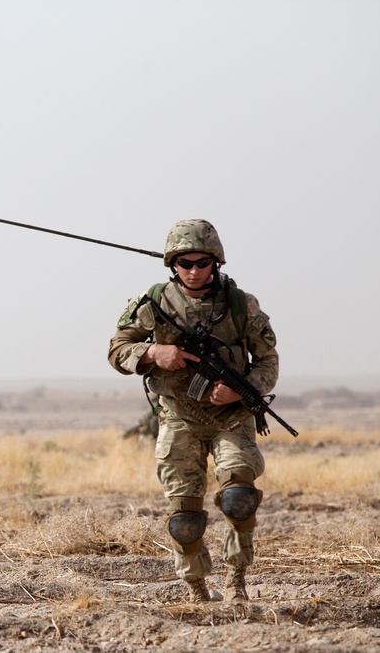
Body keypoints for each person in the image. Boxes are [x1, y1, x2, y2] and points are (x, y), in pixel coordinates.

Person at [107, 219, 279, 603]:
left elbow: (268, 362)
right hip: (178, 417)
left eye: (203, 262)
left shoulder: (240, 305)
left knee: (239, 498)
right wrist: (152, 352)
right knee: (184, 517)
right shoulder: (153, 303)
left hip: (231, 419)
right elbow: (117, 350)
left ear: (215, 262)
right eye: (185, 263)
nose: (195, 270)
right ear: (173, 264)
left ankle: (237, 580)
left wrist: (238, 393)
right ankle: (197, 589)